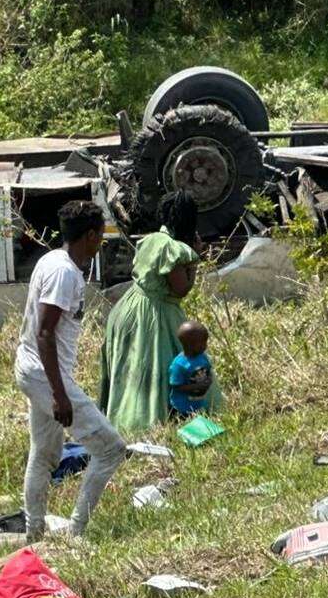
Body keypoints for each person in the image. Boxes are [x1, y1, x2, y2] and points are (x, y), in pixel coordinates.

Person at [15, 200, 128, 542]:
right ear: (91, 235)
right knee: (111, 449)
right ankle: (76, 532)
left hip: (37, 370)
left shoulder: (53, 260)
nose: (101, 243)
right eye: (100, 236)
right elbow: (45, 332)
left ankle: (34, 533)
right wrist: (59, 395)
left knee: (45, 454)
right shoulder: (64, 272)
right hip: (45, 376)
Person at [100, 191, 218, 434]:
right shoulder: (173, 249)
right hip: (154, 313)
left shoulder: (153, 239)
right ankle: (148, 418)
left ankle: (123, 412)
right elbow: (181, 288)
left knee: (132, 363)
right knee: (157, 361)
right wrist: (194, 259)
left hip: (129, 306)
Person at [168, 320, 215, 418]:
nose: (205, 346)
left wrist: (209, 379)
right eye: (202, 344)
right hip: (182, 408)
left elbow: (208, 370)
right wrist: (198, 386)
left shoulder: (203, 357)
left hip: (198, 403)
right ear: (190, 345)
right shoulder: (179, 364)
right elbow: (176, 386)